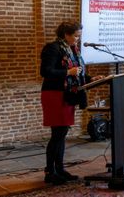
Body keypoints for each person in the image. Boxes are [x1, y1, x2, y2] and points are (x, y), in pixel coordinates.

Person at [40, 21, 97, 185]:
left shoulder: (72, 50)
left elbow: (77, 73)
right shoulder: (52, 48)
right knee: (57, 135)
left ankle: (60, 168)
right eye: (76, 36)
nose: (78, 40)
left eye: (79, 36)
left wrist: (90, 78)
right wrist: (67, 72)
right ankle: (50, 172)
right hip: (54, 94)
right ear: (66, 34)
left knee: (62, 134)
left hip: (68, 94)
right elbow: (45, 71)